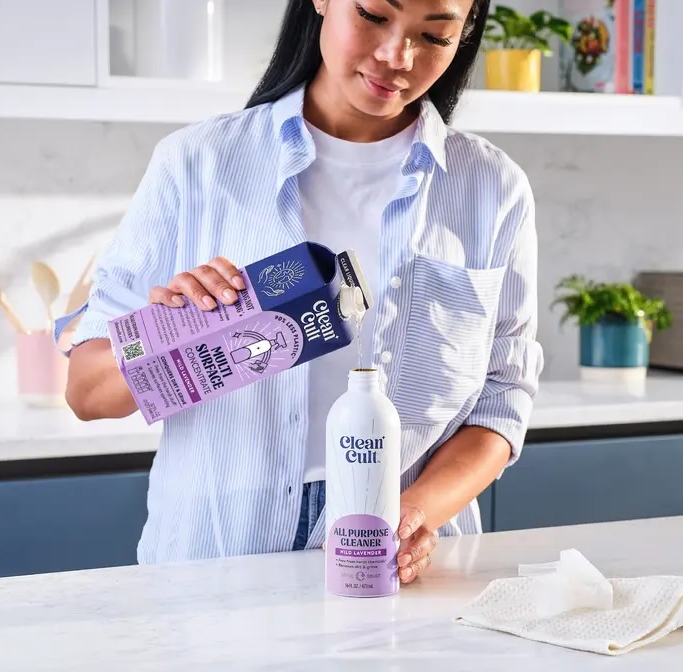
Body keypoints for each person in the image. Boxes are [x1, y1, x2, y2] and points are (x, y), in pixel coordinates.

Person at [61, 0, 544, 585]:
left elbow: (502, 397)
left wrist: (417, 510)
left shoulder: (491, 190)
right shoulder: (198, 166)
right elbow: (87, 391)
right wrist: (177, 335)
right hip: (216, 567)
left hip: (402, 571)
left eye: (434, 36)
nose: (398, 56)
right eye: (372, 15)